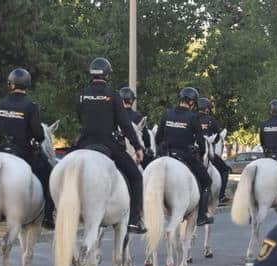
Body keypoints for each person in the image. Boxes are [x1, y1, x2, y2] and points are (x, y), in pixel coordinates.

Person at [75, 57, 146, 234]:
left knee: (59, 169)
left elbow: (80, 117)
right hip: (107, 143)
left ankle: (54, 210)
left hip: (84, 142)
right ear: (107, 74)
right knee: (136, 177)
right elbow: (125, 124)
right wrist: (137, 147)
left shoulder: (82, 94)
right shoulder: (113, 95)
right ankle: (134, 220)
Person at [0, 67, 55, 230]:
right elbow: (39, 134)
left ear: (11, 85)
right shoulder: (31, 106)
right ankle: (48, 216)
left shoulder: (1, 104)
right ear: (27, 85)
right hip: (23, 152)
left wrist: (1, 134)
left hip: (1, 149)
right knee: (49, 174)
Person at [155, 87, 213, 226]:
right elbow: (201, 143)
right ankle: (201, 216)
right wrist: (200, 152)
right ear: (192, 103)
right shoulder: (192, 118)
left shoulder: (167, 114)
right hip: (185, 156)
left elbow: (158, 138)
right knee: (207, 181)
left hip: (166, 154)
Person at [197, 97, 231, 202]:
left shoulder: (192, 118)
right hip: (207, 153)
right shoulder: (211, 120)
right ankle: (221, 195)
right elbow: (217, 138)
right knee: (225, 170)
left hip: (192, 152)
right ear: (207, 109)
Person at [118, 87, 152, 167]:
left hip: (118, 151)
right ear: (132, 101)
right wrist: (148, 147)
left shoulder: (115, 116)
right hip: (136, 151)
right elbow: (146, 136)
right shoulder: (138, 117)